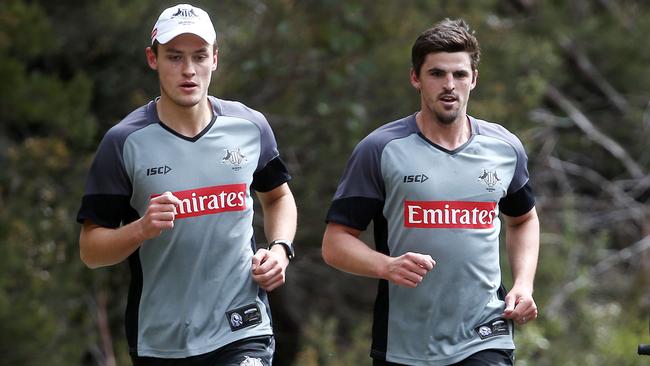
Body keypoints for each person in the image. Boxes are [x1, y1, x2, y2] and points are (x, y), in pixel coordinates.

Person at [76, 4, 297, 365]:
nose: (189, 70)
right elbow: (90, 250)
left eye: (199, 56)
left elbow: (277, 197)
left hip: (242, 328)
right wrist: (141, 229)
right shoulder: (124, 142)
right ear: (153, 59)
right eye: (175, 57)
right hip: (162, 341)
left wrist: (280, 250)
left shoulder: (249, 126)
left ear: (215, 59)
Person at [322, 18, 539, 366]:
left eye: (459, 75)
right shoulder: (381, 149)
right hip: (406, 343)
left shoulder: (504, 148)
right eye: (437, 74)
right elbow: (335, 244)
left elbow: (524, 219)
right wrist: (387, 265)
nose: (449, 85)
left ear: (474, 80)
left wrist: (523, 285)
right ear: (415, 78)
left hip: (485, 335)